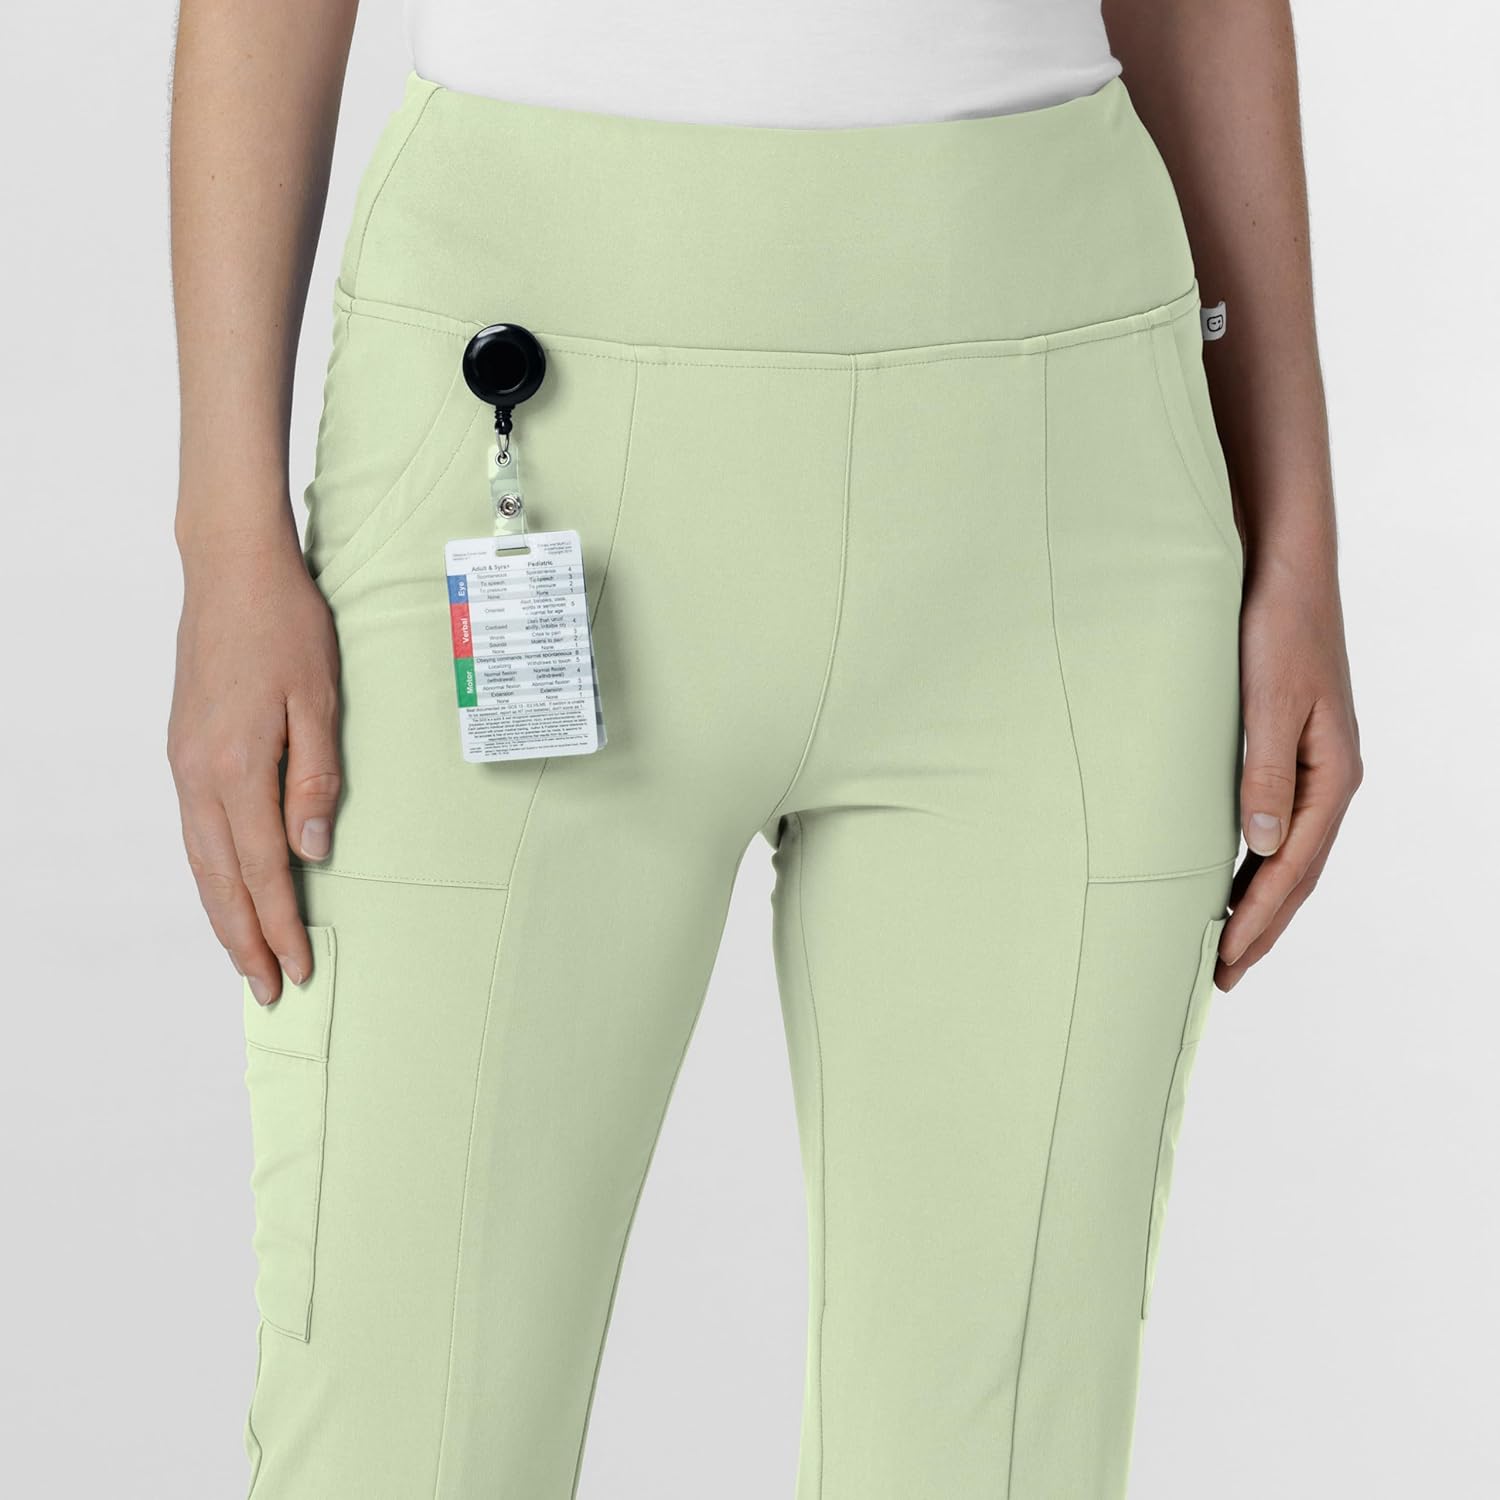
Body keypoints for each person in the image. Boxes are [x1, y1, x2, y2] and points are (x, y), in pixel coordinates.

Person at [166, 1, 1361, 1495]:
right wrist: (225, 535)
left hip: (1063, 490)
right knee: (397, 1443)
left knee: (997, 1460)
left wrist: (1296, 533)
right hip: (514, 420)